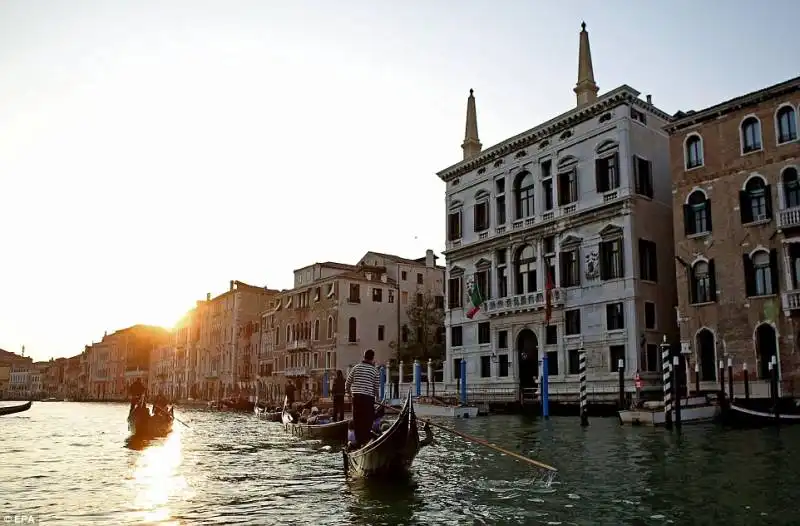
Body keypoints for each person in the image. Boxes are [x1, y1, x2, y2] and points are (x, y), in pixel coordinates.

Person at [345, 349, 380, 447]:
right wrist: (378, 399)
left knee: (357, 420)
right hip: (368, 398)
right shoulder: (375, 370)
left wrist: (349, 393)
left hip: (357, 397)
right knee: (368, 419)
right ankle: (365, 441)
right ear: (373, 358)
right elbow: (376, 387)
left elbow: (347, 383)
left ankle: (359, 442)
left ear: (364, 357)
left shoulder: (356, 367)